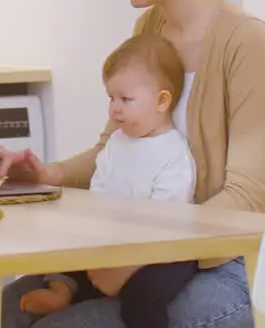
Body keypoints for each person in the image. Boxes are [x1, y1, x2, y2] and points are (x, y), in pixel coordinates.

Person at [0, 0, 265, 328]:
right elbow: (113, 149)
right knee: (5, 309)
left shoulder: (246, 40)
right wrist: (48, 173)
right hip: (149, 252)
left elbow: (246, 194)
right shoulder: (148, 32)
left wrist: (146, 257)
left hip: (235, 266)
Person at [19, 33, 197, 328]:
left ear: (162, 101)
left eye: (126, 99)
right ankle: (61, 290)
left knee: (143, 298)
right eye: (111, 98)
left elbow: (168, 222)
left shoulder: (173, 152)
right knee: (68, 252)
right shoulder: (116, 143)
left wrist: (124, 266)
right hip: (115, 238)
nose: (115, 108)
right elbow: (98, 193)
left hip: (161, 250)